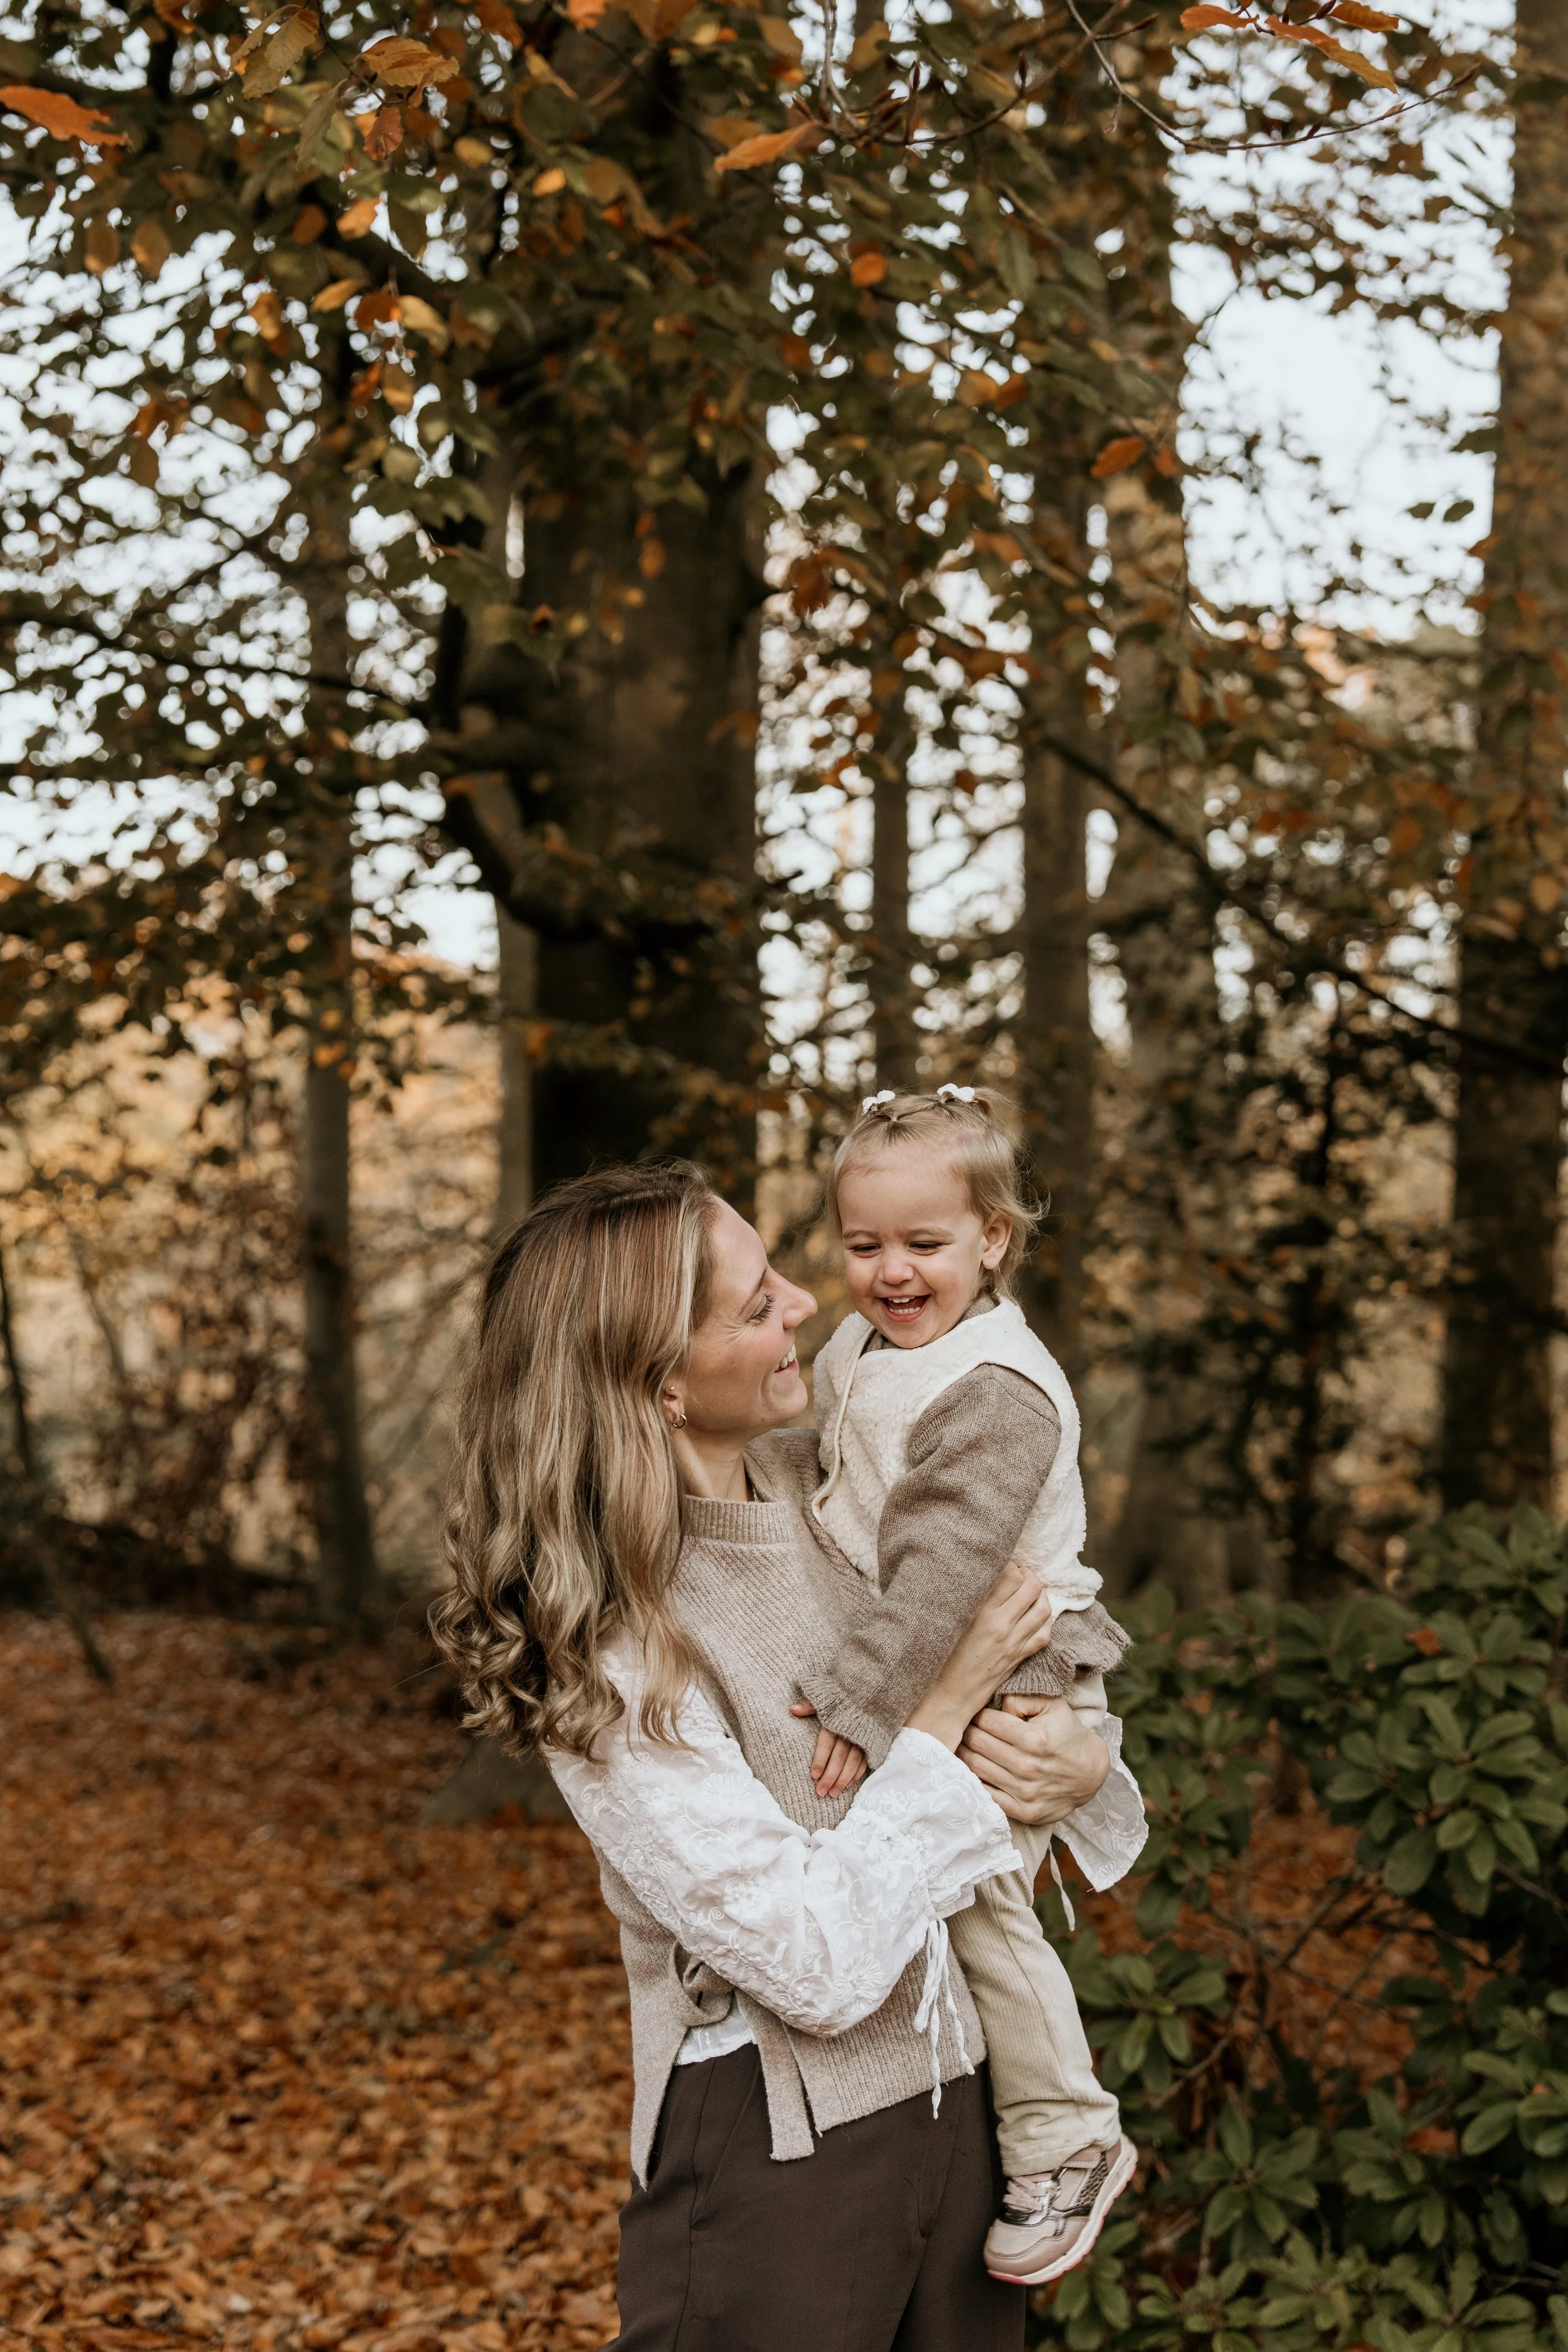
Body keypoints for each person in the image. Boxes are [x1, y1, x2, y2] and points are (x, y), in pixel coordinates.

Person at [430, 1160, 1143, 2351]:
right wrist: (943, 1707)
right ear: (660, 1382)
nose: (810, 1305)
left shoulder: (837, 1488)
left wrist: (1079, 1771)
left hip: (961, 2101)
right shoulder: (611, 1639)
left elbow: (1008, 1705)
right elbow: (809, 1958)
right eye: (758, 1303)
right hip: (779, 2149)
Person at [792, 1086, 1143, 2284]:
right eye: (863, 1245)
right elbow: (831, 1467)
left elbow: (943, 1573)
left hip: (1016, 1673)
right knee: (951, 1899)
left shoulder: (994, 1389)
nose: (891, 1273)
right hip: (942, 1659)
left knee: (982, 1904)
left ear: (993, 1238)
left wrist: (858, 1697)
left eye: (924, 1245)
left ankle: (1068, 2132)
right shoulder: (873, 1347)